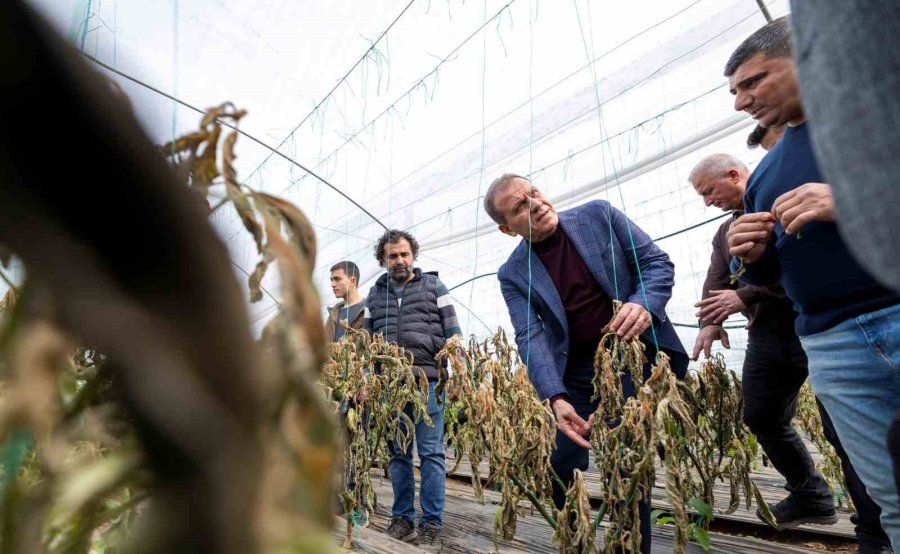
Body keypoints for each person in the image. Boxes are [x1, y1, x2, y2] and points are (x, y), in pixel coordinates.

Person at [724, 16, 900, 550]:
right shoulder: (765, 174)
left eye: (754, 82)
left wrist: (853, 200)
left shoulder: (879, 115)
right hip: (833, 346)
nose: (740, 102)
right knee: (890, 496)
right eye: (734, 91)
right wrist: (753, 257)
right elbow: (775, 272)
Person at [690, 154, 889, 551]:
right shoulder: (727, 230)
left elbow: (800, 272)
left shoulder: (785, 201)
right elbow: (718, 278)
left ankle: (874, 528)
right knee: (760, 413)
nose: (707, 202)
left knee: (842, 429)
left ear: (734, 175)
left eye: (709, 191)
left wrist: (743, 296)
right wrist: (709, 322)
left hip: (817, 325)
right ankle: (811, 495)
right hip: (770, 330)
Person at [485, 174, 689, 554]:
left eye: (534, 193)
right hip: (576, 370)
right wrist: (555, 396)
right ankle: (576, 539)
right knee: (561, 461)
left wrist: (643, 302)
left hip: (629, 356)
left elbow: (655, 263)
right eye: (519, 207)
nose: (535, 204)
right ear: (506, 228)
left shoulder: (598, 216)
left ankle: (631, 546)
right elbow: (530, 335)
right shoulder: (513, 273)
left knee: (624, 461)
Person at [364, 229, 461, 547]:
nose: (400, 260)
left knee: (432, 453)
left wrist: (458, 371)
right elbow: (367, 344)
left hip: (429, 380)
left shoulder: (434, 286)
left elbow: (453, 333)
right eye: (393, 256)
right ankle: (402, 518)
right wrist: (368, 379)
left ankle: (431, 523)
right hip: (390, 385)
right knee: (397, 454)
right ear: (383, 259)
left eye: (405, 254)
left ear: (413, 255)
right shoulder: (375, 296)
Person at [324, 261, 365, 342]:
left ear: (352, 281)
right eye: (332, 280)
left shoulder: (368, 310)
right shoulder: (333, 313)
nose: (332, 284)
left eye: (337, 279)